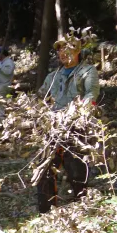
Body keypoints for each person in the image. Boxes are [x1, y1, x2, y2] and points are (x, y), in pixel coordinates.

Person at [36, 31, 101, 213]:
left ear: (77, 50)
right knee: (44, 168)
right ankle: (46, 212)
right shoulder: (52, 76)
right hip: (52, 127)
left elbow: (91, 94)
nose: (62, 52)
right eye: (59, 49)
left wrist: (79, 113)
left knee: (76, 168)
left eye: (66, 48)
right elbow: (41, 97)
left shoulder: (87, 71)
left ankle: (81, 206)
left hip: (76, 126)